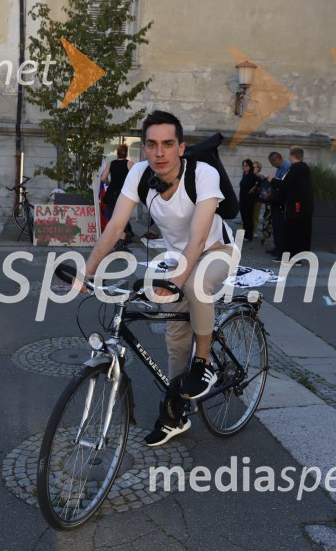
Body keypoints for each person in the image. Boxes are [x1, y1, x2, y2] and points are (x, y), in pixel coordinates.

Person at [80, 110, 235, 447]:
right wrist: (88, 271)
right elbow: (115, 226)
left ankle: (203, 362)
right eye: (151, 145)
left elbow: (197, 238)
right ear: (144, 149)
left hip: (216, 249)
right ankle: (175, 412)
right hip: (178, 257)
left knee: (196, 286)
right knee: (174, 336)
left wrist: (176, 281)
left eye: (167, 144)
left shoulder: (203, 174)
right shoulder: (138, 174)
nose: (159, 152)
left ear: (181, 147)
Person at [276, 147, 313, 261]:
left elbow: (287, 185)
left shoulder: (296, 168)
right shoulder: (304, 168)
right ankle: (296, 256)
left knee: (293, 230)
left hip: (297, 206)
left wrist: (272, 180)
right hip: (303, 206)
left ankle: (292, 257)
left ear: (292, 156)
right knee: (300, 231)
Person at [101, 143, 135, 251]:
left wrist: (109, 182)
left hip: (111, 193)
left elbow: (103, 178)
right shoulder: (130, 164)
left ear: (117, 154)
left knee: (112, 219)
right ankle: (121, 242)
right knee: (123, 219)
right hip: (124, 194)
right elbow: (135, 178)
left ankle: (113, 241)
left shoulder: (111, 164)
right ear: (126, 153)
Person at [264, 151, 291, 256]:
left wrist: (273, 180)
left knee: (280, 227)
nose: (272, 165)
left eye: (272, 162)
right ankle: (277, 247)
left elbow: (283, 184)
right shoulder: (281, 168)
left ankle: (280, 249)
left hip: (282, 202)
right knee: (276, 226)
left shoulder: (286, 167)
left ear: (277, 159)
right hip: (277, 200)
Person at [238, 159, 259, 242]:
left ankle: (249, 236)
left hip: (249, 200)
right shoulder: (244, 175)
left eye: (246, 166)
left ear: (250, 166)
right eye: (243, 165)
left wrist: (254, 188)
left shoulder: (252, 175)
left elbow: (260, 181)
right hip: (243, 199)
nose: (244, 167)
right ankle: (245, 234)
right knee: (244, 218)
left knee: (248, 218)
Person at [252, 160, 267, 242]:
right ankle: (244, 230)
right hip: (248, 199)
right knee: (246, 215)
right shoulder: (247, 175)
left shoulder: (261, 177)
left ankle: (254, 231)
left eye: (254, 167)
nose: (252, 168)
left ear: (259, 168)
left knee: (255, 215)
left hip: (257, 198)